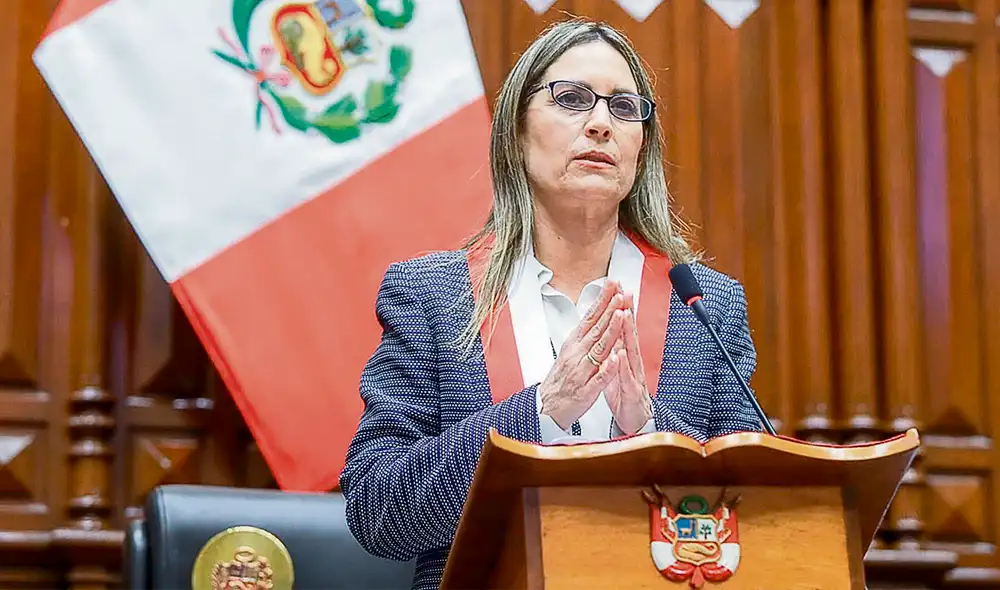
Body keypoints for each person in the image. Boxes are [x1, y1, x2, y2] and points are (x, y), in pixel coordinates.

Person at [339, 17, 763, 590]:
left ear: (642, 148)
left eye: (623, 107)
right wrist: (540, 413)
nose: (600, 124)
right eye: (571, 98)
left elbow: (752, 509)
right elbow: (376, 512)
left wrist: (650, 434)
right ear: (516, 133)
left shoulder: (704, 305)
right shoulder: (434, 296)